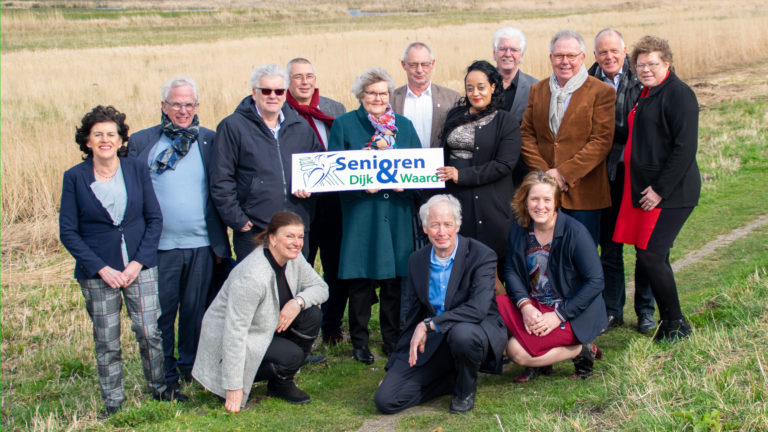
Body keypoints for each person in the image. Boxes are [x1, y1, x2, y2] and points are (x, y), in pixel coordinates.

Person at [59, 106, 187, 418]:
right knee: (107, 339)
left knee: (149, 332)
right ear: (87, 141)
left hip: (139, 267)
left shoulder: (136, 169)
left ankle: (160, 389)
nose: (105, 139)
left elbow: (154, 219)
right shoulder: (74, 178)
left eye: (111, 134)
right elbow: (68, 232)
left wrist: (136, 264)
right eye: (98, 134)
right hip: (97, 272)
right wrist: (102, 268)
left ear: (120, 140)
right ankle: (113, 401)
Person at [128, 77, 231, 390]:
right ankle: (163, 373)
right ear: (164, 106)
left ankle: (191, 368)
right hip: (159, 247)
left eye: (189, 104)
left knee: (194, 312)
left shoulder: (211, 141)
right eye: (176, 104)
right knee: (161, 314)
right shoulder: (142, 142)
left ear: (197, 106)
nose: (183, 110)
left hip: (201, 244)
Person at [374, 194, 506, 414]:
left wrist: (429, 325)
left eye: (447, 224)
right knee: (386, 400)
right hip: (436, 340)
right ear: (425, 228)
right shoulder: (417, 260)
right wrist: (393, 367)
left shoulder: (482, 255)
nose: (442, 232)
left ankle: (465, 390)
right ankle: (451, 379)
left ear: (458, 225)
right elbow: (413, 317)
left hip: (475, 331)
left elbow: (478, 309)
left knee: (461, 334)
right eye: (435, 225)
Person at [327, 67, 421, 364]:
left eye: (383, 93)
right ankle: (360, 342)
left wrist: (405, 184)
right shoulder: (344, 125)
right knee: (360, 281)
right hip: (361, 215)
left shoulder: (403, 127)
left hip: (395, 213)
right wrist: (359, 188)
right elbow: (333, 173)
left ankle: (392, 339)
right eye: (372, 93)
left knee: (394, 281)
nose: (378, 98)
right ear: (360, 96)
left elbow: (418, 168)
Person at [192, 211, 329, 412]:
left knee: (311, 315)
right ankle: (264, 374)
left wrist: (297, 302)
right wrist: (233, 387)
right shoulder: (252, 276)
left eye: (300, 237)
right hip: (231, 347)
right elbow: (234, 333)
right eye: (289, 236)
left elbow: (321, 288)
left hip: (263, 329)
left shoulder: (294, 259)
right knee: (292, 356)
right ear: (272, 238)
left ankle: (281, 383)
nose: (296, 242)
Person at [613, 35, 700, 342]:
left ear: (667, 63)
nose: (646, 69)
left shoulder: (679, 95)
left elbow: (684, 148)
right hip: (644, 190)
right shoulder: (647, 93)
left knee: (651, 254)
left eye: (652, 63)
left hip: (671, 193)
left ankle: (675, 323)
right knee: (649, 253)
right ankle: (669, 323)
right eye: (640, 64)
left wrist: (659, 189)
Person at [500, 171, 607, 383]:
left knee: (516, 351)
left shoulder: (575, 232)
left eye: (547, 200)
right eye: (534, 199)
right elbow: (511, 270)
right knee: (497, 304)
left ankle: (580, 349)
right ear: (525, 200)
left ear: (556, 201)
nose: (541, 206)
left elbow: (596, 281)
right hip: (536, 307)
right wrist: (525, 307)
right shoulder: (519, 229)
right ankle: (541, 358)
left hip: (572, 312)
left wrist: (558, 315)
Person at [211, 63, 324, 262]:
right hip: (255, 230)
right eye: (266, 91)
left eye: (279, 91)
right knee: (258, 290)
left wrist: (310, 188)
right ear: (254, 93)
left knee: (293, 289)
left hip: (295, 228)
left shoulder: (300, 126)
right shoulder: (233, 127)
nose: (273, 96)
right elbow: (221, 178)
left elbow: (319, 167)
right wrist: (239, 221)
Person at [587, 29, 656, 334]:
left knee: (645, 245)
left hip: (638, 175)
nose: (609, 57)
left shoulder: (643, 79)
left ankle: (646, 311)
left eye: (614, 51)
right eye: (603, 52)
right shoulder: (586, 82)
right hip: (605, 176)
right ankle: (613, 310)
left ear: (624, 51)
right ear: (595, 56)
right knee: (610, 246)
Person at [520, 30, 616, 246]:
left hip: (584, 195)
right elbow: (526, 134)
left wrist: (563, 174)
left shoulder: (601, 92)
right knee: (544, 257)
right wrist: (546, 176)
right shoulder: (538, 90)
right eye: (559, 56)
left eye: (571, 56)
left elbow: (601, 142)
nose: (565, 62)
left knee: (581, 259)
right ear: (551, 58)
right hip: (545, 196)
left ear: (582, 58)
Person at [436, 60, 520, 289]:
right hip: (457, 203)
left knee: (492, 269)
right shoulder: (455, 115)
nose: (475, 93)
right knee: (460, 269)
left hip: (490, 206)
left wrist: (461, 175)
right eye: (470, 87)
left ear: (493, 86)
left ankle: (503, 318)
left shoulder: (506, 121)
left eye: (481, 87)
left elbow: (504, 164)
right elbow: (442, 154)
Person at [285, 57, 349, 348]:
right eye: (298, 76)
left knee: (337, 267)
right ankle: (301, 330)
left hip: (334, 203)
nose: (304, 82)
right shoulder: (280, 112)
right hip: (299, 206)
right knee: (301, 267)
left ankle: (332, 325)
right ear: (288, 81)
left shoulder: (335, 109)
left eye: (309, 75)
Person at [391, 42, 461, 149]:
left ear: (432, 64)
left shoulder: (452, 99)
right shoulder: (390, 100)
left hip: (440, 164)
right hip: (403, 164)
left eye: (424, 64)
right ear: (403, 65)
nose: (419, 70)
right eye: (413, 65)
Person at [492, 27, 538, 122]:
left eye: (514, 50)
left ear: (521, 55)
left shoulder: (535, 88)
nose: (508, 54)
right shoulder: (481, 84)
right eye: (502, 49)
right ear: (494, 53)